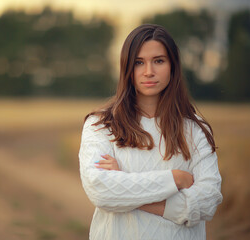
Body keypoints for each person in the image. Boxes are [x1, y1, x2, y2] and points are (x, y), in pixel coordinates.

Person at [78, 24, 223, 239]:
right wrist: (175, 179)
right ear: (127, 67)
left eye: (159, 61)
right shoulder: (101, 125)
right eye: (139, 62)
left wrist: (124, 182)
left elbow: (206, 203)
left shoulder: (195, 129)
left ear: (173, 65)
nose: (149, 72)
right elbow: (101, 190)